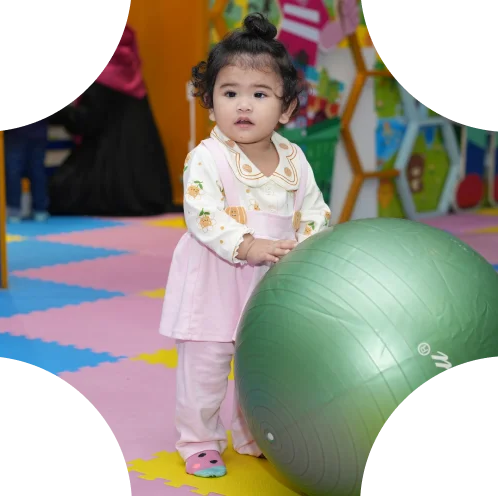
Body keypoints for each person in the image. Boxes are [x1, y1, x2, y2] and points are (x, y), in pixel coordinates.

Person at [159, 13, 332, 479]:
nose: (243, 105)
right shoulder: (207, 157)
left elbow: (314, 210)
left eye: (259, 95)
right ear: (210, 103)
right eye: (229, 92)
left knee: (262, 365)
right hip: (214, 283)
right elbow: (203, 214)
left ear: (286, 108)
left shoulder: (294, 158)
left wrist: (307, 248)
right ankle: (199, 441)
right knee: (205, 371)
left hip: (270, 285)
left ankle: (253, 431)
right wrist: (247, 243)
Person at [49, 24, 177, 217]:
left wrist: (59, 111)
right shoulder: (131, 72)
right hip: (146, 184)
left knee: (59, 192)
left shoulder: (103, 77)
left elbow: (85, 123)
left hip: (108, 173)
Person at [4, 119, 50, 223]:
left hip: (17, 132)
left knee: (14, 171)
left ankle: (15, 210)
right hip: (37, 130)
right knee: (36, 171)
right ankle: (39, 209)